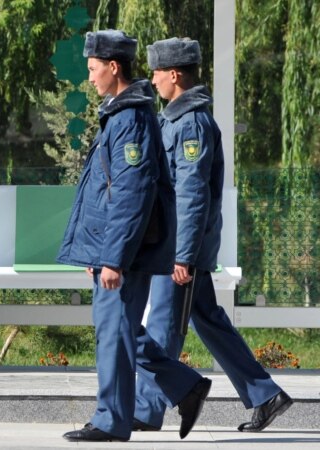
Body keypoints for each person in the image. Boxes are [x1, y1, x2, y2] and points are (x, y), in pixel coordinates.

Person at [57, 29, 212, 442]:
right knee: (119, 330)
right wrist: (97, 252)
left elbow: (131, 195)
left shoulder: (130, 119)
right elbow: (105, 192)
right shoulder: (121, 114)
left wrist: (114, 259)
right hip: (113, 250)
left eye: (93, 69)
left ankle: (110, 420)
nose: (90, 77)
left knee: (114, 333)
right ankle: (184, 386)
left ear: (113, 67)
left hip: (125, 254)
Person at [133, 37, 292, 433]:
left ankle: (147, 410)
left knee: (164, 323)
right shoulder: (177, 119)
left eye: (156, 72)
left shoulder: (191, 124)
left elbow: (192, 195)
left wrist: (182, 255)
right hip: (179, 245)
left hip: (180, 248)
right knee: (206, 319)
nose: (153, 80)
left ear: (174, 74)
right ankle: (265, 394)